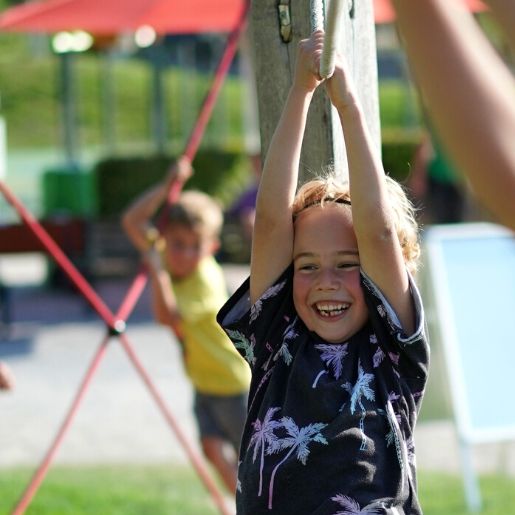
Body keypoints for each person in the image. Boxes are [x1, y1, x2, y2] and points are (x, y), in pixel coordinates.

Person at [217, 31, 428, 514]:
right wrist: (300, 93)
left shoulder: (392, 350)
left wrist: (348, 106)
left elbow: (376, 233)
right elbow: (270, 223)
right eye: (307, 266)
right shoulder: (276, 341)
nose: (326, 281)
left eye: (347, 265)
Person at [121, 158, 251, 494]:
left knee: (250, 457)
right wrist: (166, 187)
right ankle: (243, 504)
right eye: (178, 244)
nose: (185, 254)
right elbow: (132, 221)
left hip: (232, 382)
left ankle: (258, 501)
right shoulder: (166, 255)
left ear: (212, 248)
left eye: (196, 246)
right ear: (166, 237)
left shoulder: (205, 279)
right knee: (210, 448)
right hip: (204, 381)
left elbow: (168, 318)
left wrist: (158, 272)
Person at [392, 0, 515, 230]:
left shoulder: (448, 120)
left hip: (457, 179)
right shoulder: (442, 122)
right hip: (444, 180)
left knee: (455, 223)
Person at [409, 131, 467, 224]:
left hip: (456, 181)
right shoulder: (435, 131)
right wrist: (418, 176)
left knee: (456, 219)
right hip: (438, 180)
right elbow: (423, 152)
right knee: (442, 218)